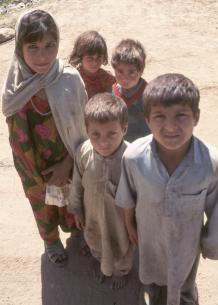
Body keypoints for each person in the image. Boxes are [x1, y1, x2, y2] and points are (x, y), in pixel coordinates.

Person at [116, 73, 218, 305]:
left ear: (196, 117)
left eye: (181, 115)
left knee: (184, 284)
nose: (171, 126)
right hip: (149, 238)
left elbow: (217, 210)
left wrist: (212, 245)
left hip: (187, 242)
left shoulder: (210, 164)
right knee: (151, 280)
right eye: (160, 116)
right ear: (147, 119)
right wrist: (129, 224)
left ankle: (187, 296)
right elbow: (128, 195)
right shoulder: (134, 157)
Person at [1, 10, 88, 267]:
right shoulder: (15, 89)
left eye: (50, 45)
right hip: (34, 167)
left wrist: (69, 163)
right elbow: (17, 139)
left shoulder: (69, 79)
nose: (43, 56)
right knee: (43, 205)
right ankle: (50, 240)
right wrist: (36, 175)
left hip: (67, 160)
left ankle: (78, 231)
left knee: (74, 197)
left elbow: (84, 128)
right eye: (33, 47)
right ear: (19, 48)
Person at [68, 93, 134, 289]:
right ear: (87, 130)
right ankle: (102, 265)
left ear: (124, 129)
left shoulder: (131, 159)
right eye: (95, 134)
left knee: (122, 248)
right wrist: (77, 210)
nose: (103, 142)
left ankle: (121, 273)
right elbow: (77, 184)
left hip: (120, 221)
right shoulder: (83, 152)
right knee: (95, 242)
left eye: (111, 134)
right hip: (93, 215)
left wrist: (134, 224)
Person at [111, 38, 150, 142]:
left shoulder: (149, 93)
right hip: (121, 144)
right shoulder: (113, 92)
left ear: (141, 71)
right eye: (120, 71)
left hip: (145, 143)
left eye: (131, 72)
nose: (125, 77)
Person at [69, 30, 115, 99]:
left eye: (99, 57)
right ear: (80, 56)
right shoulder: (73, 79)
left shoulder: (108, 79)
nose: (95, 62)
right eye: (90, 58)